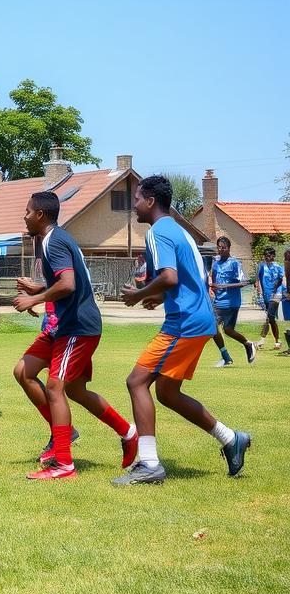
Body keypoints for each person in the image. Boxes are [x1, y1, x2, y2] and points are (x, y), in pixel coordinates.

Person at [115, 175, 251, 485]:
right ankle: (231, 439)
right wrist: (155, 296)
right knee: (166, 392)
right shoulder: (178, 230)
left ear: (150, 201)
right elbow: (185, 280)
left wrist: (138, 295)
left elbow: (171, 278)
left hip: (185, 321)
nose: (134, 205)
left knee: (137, 382)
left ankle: (149, 464)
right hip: (198, 317)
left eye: (137, 199)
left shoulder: (158, 232)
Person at [12, 192, 138, 481]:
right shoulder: (52, 238)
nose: (25, 217)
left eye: (28, 212)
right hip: (66, 325)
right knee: (27, 372)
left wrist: (36, 299)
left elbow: (68, 285)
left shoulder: (54, 241)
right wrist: (39, 288)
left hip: (77, 327)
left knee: (55, 387)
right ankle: (128, 433)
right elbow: (68, 280)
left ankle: (64, 463)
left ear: (41, 215)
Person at [208, 236, 255, 366]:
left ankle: (226, 356)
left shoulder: (234, 263)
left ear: (229, 248)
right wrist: (212, 288)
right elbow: (213, 278)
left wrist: (224, 286)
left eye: (223, 247)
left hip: (230, 302)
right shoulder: (216, 263)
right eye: (218, 247)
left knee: (210, 325)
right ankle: (247, 344)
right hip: (218, 301)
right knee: (228, 330)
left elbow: (244, 282)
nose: (220, 249)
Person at [254, 246, 283, 351]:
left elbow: (281, 279)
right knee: (270, 319)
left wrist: (277, 287)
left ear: (273, 256)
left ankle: (271, 340)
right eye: (265, 255)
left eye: (269, 255)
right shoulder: (261, 266)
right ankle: (273, 341)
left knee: (270, 316)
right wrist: (260, 294)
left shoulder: (278, 267)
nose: (266, 257)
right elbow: (257, 280)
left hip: (276, 294)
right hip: (266, 295)